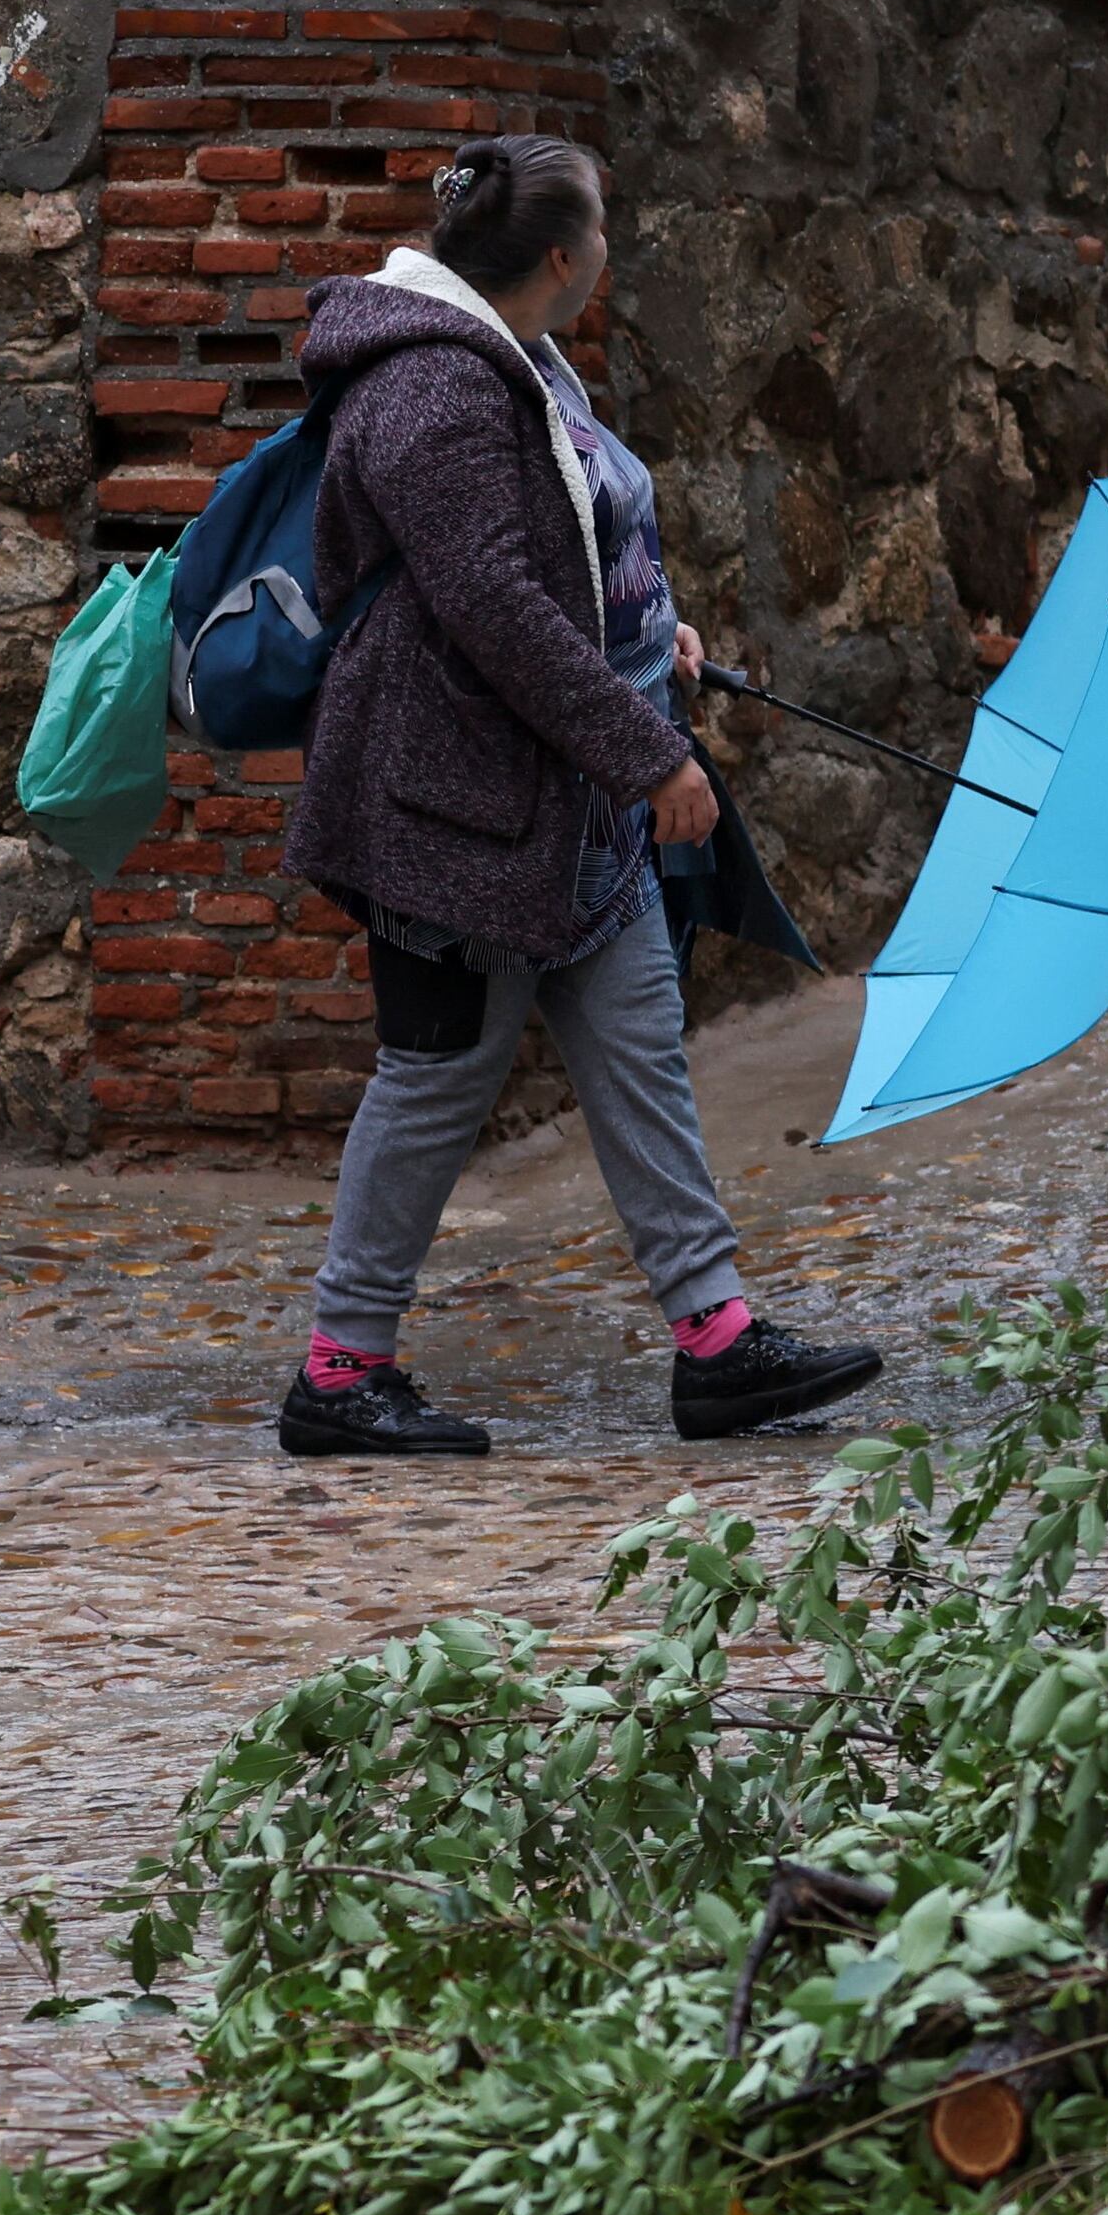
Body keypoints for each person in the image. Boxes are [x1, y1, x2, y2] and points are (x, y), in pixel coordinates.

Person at [268, 135, 882, 1459]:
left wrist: (656, 634)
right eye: (601, 229)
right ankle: (337, 1371)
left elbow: (560, 554)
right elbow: (490, 606)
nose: (610, 249)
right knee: (438, 1079)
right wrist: (651, 754)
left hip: (560, 804)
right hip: (456, 812)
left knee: (641, 1050)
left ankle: (716, 1341)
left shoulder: (522, 355)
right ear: (563, 257)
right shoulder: (434, 382)